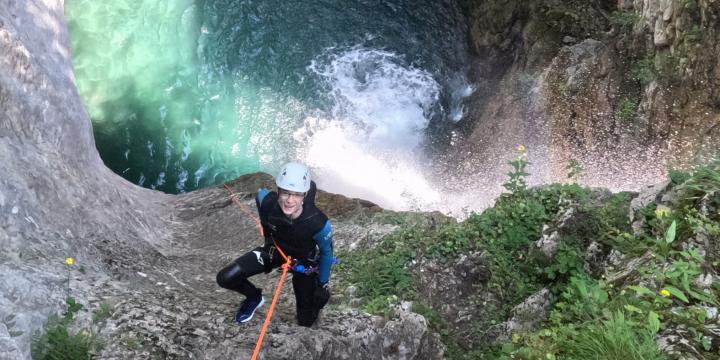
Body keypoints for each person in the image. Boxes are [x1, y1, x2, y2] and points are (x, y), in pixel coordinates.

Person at [216, 162, 333, 327]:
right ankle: (254, 297)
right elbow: (260, 199)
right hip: (275, 252)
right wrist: (268, 241)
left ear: (304, 196)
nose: (289, 200)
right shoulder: (267, 202)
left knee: (306, 320)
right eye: (285, 192)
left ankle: (310, 307)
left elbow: (327, 253)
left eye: (296, 194)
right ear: (279, 190)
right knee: (226, 277)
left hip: (304, 262)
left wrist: (323, 285)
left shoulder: (318, 223)